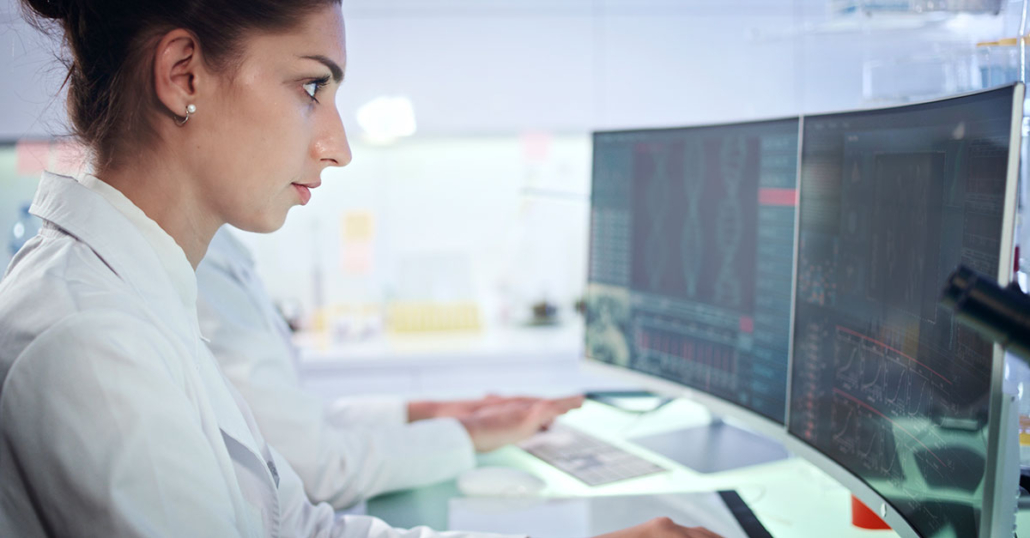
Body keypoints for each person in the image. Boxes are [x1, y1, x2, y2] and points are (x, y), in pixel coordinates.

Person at [0, 0, 721, 536]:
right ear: (183, 74)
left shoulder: (140, 297)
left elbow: (294, 523)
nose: (338, 146)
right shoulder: (92, 342)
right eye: (312, 87)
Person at [198, 226, 585, 509]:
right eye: (308, 107)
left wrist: (432, 412)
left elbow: (294, 427)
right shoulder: (202, 273)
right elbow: (317, 468)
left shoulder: (217, 250)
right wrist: (473, 431)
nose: (338, 151)